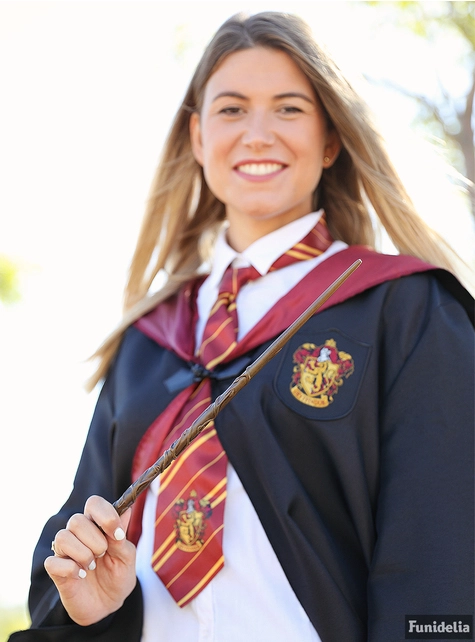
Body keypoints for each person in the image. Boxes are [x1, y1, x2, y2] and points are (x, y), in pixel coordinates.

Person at [10, 11, 474, 642]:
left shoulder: (404, 311)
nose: (258, 134)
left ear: (330, 139)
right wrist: (96, 608)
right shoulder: (149, 341)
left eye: (288, 109)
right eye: (231, 110)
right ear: (198, 137)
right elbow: (79, 564)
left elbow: (440, 555)